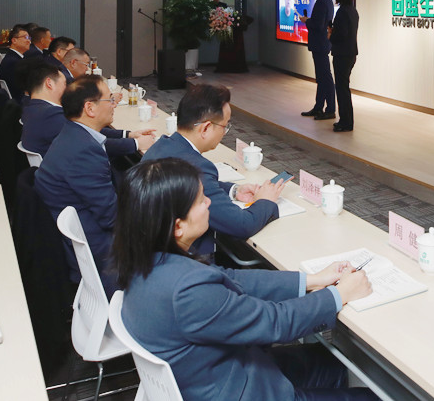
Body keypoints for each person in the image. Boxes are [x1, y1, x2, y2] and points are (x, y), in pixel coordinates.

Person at [112, 158, 376, 401]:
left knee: (331, 363)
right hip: (240, 389)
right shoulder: (187, 289)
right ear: (178, 226)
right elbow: (275, 322)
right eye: (201, 200)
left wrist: (311, 280)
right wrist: (339, 295)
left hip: (217, 372)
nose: (209, 203)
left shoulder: (144, 261)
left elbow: (230, 277)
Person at [140, 83, 285, 260]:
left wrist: (234, 190)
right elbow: (241, 225)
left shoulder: (162, 145)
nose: (225, 133)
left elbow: (189, 184)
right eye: (225, 126)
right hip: (190, 259)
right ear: (206, 128)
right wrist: (265, 201)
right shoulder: (198, 166)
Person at [34, 77, 132, 294]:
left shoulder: (73, 135)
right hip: (98, 248)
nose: (113, 105)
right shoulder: (83, 151)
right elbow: (112, 218)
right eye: (109, 100)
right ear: (90, 108)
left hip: (82, 227)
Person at [19, 61, 155, 158]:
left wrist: (128, 135)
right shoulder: (51, 115)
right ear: (49, 83)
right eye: (64, 84)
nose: (67, 88)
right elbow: (92, 143)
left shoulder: (33, 108)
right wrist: (136, 143)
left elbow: (87, 130)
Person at [297, 0, 336, 119]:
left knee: (325, 77)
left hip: (320, 44)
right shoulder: (327, 0)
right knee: (321, 77)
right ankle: (319, 107)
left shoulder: (321, 1)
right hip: (322, 43)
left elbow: (318, 25)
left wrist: (306, 21)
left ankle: (330, 109)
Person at [329, 0, 359, 133]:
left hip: (342, 54)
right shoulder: (353, 11)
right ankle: (347, 120)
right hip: (351, 53)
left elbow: (340, 35)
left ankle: (346, 122)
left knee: (341, 89)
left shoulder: (341, 12)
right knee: (344, 87)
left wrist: (331, 34)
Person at [0, 25, 32, 100]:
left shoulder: (12, 57)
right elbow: (23, 89)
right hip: (19, 101)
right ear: (14, 40)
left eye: (29, 38)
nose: (29, 41)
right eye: (25, 37)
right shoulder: (14, 62)